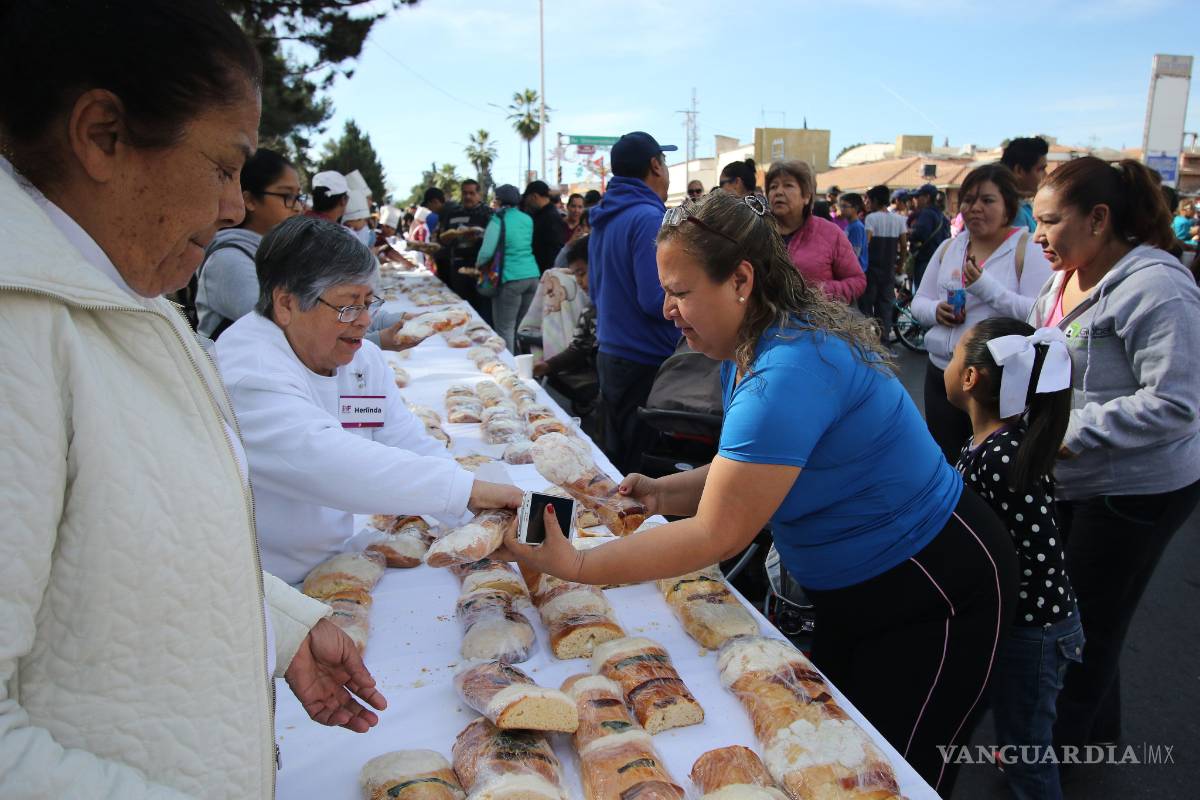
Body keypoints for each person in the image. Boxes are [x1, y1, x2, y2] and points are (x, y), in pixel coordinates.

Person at [502, 190, 1018, 795]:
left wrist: (579, 565)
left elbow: (718, 532)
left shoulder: (786, 371)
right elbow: (747, 476)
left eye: (681, 290)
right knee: (835, 754)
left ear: (741, 280)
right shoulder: (746, 348)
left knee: (888, 777)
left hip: (934, 587)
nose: (667, 308)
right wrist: (663, 496)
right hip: (862, 589)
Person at [0, 2, 387, 796]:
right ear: (102, 135)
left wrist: (277, 627)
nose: (234, 208)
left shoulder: (127, 298)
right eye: (221, 167)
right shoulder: (20, 335)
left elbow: (128, 556)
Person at [215, 215, 523, 582]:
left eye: (368, 303)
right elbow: (325, 462)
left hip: (336, 559)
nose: (364, 321)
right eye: (348, 306)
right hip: (266, 582)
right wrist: (464, 491)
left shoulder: (359, 358)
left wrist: (478, 517)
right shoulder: (248, 368)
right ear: (286, 305)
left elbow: (406, 440)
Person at [1025, 156, 1200, 756]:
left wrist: (1069, 431)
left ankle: (1054, 755)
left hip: (1137, 489)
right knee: (1088, 608)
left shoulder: (1157, 286)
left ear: (1099, 219)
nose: (1038, 236)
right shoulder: (1059, 279)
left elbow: (1176, 403)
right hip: (1073, 475)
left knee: (1085, 624)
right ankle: (1093, 731)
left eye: (1049, 221)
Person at [945, 318, 1083, 800]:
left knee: (1029, 756)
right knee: (1017, 733)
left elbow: (1022, 551)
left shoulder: (998, 454)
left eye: (955, 353)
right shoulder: (990, 443)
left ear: (971, 378)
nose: (947, 360)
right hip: (1023, 624)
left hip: (1035, 631)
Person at [912, 164, 1052, 461]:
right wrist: (937, 311)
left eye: (987, 200)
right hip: (942, 374)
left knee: (988, 464)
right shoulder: (949, 247)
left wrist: (985, 287)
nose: (975, 208)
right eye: (968, 200)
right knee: (945, 460)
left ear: (1007, 207)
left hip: (995, 383)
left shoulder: (1027, 249)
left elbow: (1038, 314)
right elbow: (919, 301)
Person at [588, 131, 679, 472]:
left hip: (611, 352)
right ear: (655, 165)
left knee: (616, 460)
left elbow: (594, 290)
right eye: (665, 162)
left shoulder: (605, 216)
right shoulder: (647, 218)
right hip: (645, 360)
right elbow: (655, 299)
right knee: (636, 470)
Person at [195, 147, 301, 338]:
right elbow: (284, 329)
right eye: (287, 196)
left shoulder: (279, 254)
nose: (298, 207)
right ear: (250, 200)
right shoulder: (227, 260)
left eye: (298, 197)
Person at [766, 160, 865, 303]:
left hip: (814, 323)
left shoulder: (829, 233)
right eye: (773, 187)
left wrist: (817, 292)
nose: (778, 192)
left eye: (788, 185)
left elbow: (857, 281)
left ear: (806, 196)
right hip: (766, 322)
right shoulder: (758, 232)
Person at [477, 184, 541, 351]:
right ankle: (525, 367)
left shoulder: (498, 219)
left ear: (498, 200)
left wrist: (478, 266)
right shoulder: (527, 219)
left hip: (509, 278)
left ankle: (509, 370)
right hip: (532, 276)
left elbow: (486, 252)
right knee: (521, 329)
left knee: (505, 329)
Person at [519, 234, 592, 363]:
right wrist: (548, 366)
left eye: (581, 274)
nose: (579, 282)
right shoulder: (589, 312)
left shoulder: (596, 309)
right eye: (576, 276)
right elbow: (578, 347)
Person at [436, 178, 494, 321]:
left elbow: (493, 240)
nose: (468, 196)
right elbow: (441, 238)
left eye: (471, 193)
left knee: (481, 308)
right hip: (457, 265)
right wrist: (449, 237)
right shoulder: (453, 213)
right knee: (460, 306)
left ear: (479, 195)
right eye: (465, 193)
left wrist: (478, 238)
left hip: (480, 266)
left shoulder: (488, 213)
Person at [862, 184, 907, 339]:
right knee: (885, 308)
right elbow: (903, 245)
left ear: (875, 200)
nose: (868, 203)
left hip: (872, 270)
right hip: (889, 270)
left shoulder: (871, 218)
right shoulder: (899, 219)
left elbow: (866, 243)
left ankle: (868, 342)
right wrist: (900, 266)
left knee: (867, 307)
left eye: (869, 200)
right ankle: (885, 342)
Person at [1001, 137, 1050, 233]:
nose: (1046, 175)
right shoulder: (1013, 213)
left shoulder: (1023, 207)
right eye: (1040, 169)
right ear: (1019, 170)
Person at [908, 182, 950, 286]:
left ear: (927, 197)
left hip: (925, 261)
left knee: (921, 294)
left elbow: (919, 234)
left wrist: (910, 232)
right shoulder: (942, 215)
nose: (915, 200)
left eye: (918, 197)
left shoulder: (926, 213)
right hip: (939, 261)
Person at [525, 179, 567, 273]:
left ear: (534, 196)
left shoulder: (549, 217)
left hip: (546, 271)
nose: (527, 203)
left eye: (527, 199)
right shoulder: (545, 214)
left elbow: (555, 247)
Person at [839, 191, 868, 272]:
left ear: (855, 208)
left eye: (845, 206)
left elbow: (855, 254)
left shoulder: (856, 227)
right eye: (841, 206)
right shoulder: (850, 225)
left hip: (855, 271)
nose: (841, 209)